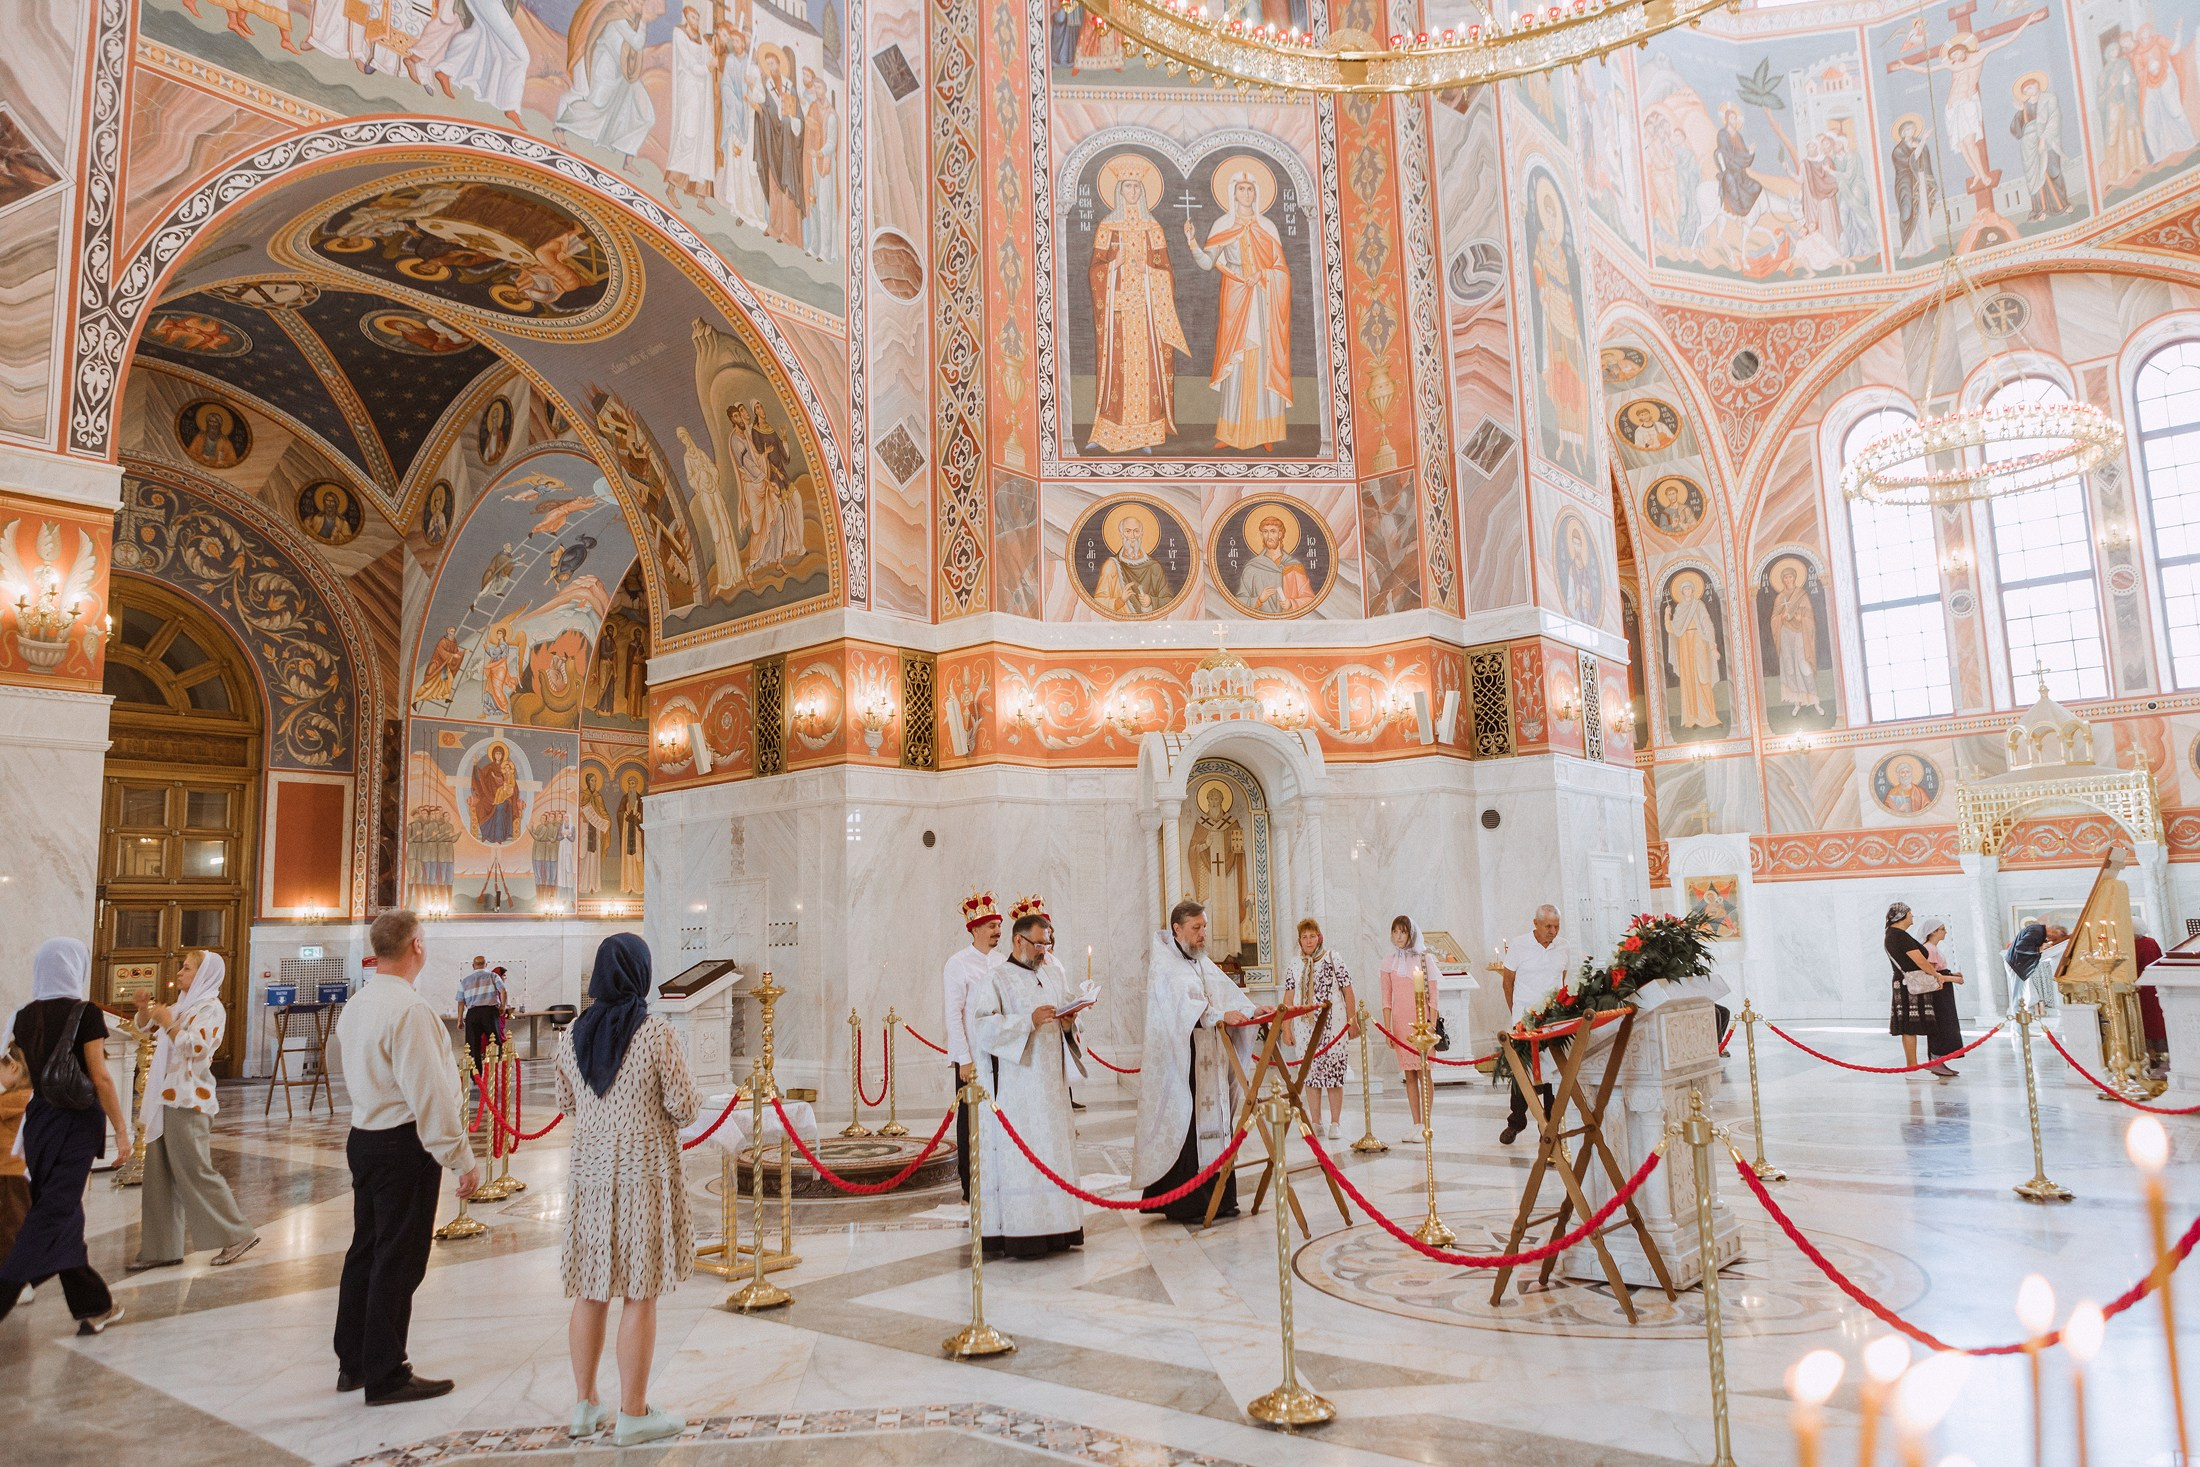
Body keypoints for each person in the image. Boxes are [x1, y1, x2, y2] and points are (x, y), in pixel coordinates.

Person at [333, 910, 481, 1405]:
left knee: (366, 1252)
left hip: (364, 1136)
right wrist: (461, 1158)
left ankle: (352, 1361)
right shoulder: (410, 1011)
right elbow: (431, 1094)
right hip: (402, 1144)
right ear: (417, 944)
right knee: (398, 1260)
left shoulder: (357, 1004)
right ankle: (387, 1373)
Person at [557, 934, 698, 1446]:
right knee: (640, 1289)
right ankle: (633, 1413)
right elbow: (684, 1106)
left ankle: (584, 1404)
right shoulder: (654, 1033)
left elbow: (567, 1102)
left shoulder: (570, 1033)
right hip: (642, 1172)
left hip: (590, 1173)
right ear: (640, 972)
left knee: (592, 1288)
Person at [0, 938, 133, 1331]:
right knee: (53, 1212)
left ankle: (94, 1306)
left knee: (62, 1213)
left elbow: (15, 1075)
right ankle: (6, 1287)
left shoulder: (23, 1016)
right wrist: (122, 1133)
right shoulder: (85, 1012)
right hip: (75, 1122)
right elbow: (100, 1077)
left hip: (39, 1121)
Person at [967, 912, 1086, 1258]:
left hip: (1052, 1086)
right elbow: (984, 1028)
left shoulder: (1049, 974)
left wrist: (1068, 1022)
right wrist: (1027, 1022)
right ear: (1018, 941)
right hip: (1020, 1091)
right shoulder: (996, 979)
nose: (1044, 951)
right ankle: (1028, 1234)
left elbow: (1066, 1020)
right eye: (1038, 944)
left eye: (1047, 944)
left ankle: (1060, 1229)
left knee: (1055, 1153)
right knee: (1026, 1157)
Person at [130, 951, 258, 1270]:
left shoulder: (210, 1008)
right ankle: (161, 1248)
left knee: (195, 1169)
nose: (181, 972)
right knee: (158, 1173)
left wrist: (169, 1023)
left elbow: (197, 1048)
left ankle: (237, 1233)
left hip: (189, 1100)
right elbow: (145, 1030)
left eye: (187, 968)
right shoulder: (183, 1006)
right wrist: (144, 1011)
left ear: (202, 975)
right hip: (166, 1098)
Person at [1133, 899, 1257, 1222]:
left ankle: (1219, 1197)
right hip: (1181, 1063)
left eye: (1204, 927)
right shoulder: (1165, 966)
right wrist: (1218, 1014)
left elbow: (1226, 991)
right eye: (1196, 928)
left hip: (1209, 1055)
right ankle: (1185, 1202)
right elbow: (1183, 1009)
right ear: (1177, 929)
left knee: (1215, 1120)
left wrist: (1251, 1011)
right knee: (1188, 1128)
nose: (1203, 934)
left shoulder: (1198, 961)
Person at [944, 891, 1003, 1201]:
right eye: (991, 925)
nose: (997, 930)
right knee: (970, 1122)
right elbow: (953, 1014)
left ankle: (996, 1178)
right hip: (972, 1058)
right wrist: (964, 1059)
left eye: (998, 925)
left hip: (1001, 1053)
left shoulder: (1004, 961)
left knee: (997, 1119)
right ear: (975, 929)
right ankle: (971, 1185)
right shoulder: (957, 964)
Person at [1496, 905, 1570, 1145]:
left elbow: (1562, 978)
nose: (1553, 931)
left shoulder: (1563, 946)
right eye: (1548, 926)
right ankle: (1516, 1122)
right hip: (1524, 1019)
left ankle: (1548, 1126)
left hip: (1552, 1019)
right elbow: (1508, 983)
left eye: (1556, 926)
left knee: (1551, 1071)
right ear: (1535, 924)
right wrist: (1517, 1013)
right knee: (1522, 1071)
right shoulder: (1519, 945)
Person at [1283, 919, 1355, 1141]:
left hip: (1333, 1025)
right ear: (1299, 940)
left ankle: (1335, 1122)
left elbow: (1348, 990)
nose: (1308, 941)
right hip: (1306, 1027)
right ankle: (1316, 1122)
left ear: (1319, 937)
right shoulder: (1295, 965)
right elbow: (1288, 998)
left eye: (1312, 936)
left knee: (1334, 1075)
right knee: (1311, 1076)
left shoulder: (1333, 958)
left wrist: (1352, 1021)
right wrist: (1286, 1027)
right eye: (1304, 937)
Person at [1378, 916, 1441, 1142]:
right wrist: (1388, 1028)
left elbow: (1433, 996)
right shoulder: (1388, 962)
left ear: (1411, 934)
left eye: (1403, 932)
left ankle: (1427, 1122)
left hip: (1422, 1022)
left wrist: (1432, 1025)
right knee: (1409, 1074)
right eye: (1395, 932)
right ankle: (1415, 1122)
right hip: (1400, 1023)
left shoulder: (1425, 959)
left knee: (1424, 1072)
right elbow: (1386, 998)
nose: (1398, 937)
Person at [1886, 903, 1962, 1078]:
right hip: (1909, 984)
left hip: (1906, 983)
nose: (1912, 917)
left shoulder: (1894, 935)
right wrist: (1936, 975)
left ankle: (1912, 1067)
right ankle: (1911, 1068)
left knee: (1910, 1026)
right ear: (1902, 916)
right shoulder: (1898, 936)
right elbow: (1919, 960)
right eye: (1910, 914)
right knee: (1908, 1026)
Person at [0, 1045, 27, 1307]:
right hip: (11, 1171)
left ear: (14, 1067)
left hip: (12, 1172)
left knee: (12, 1227)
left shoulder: (16, 1098)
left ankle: (19, 1283)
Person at [2004, 917, 2069, 1008]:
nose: (2051, 940)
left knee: (2024, 999)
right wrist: (2039, 948)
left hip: (2018, 965)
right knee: (2021, 999)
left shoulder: (2039, 932)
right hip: (2016, 965)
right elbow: (2020, 948)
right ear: (2054, 931)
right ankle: (2018, 1020)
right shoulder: (2037, 930)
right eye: (2056, 937)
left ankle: (2021, 1018)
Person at [455, 955, 507, 1069]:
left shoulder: (465, 981)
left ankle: (476, 1075)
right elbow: (503, 990)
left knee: (473, 1046)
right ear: (486, 965)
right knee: (494, 1042)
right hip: (490, 1012)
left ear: (473, 966)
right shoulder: (493, 976)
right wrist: (503, 1006)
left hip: (473, 1013)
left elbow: (460, 1002)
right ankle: (494, 1070)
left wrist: (460, 1020)